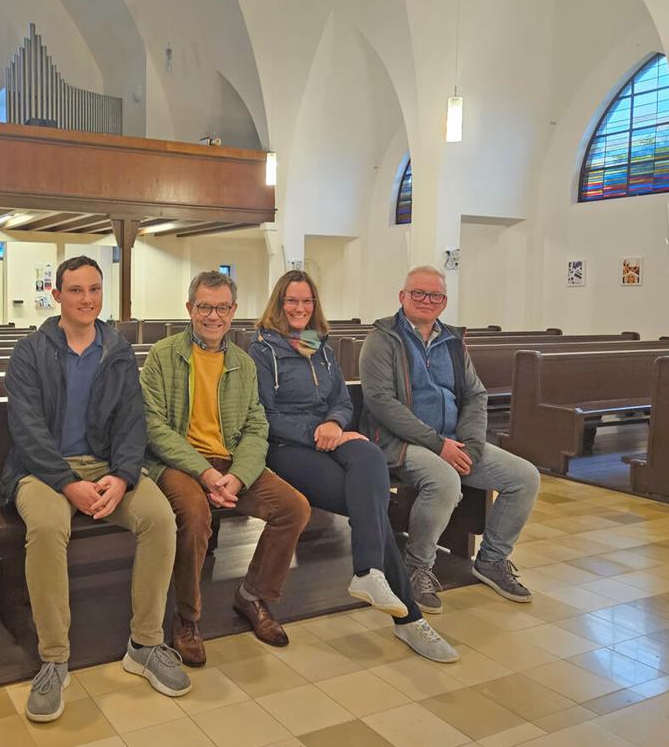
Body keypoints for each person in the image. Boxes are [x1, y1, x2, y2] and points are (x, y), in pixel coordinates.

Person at [0, 256, 190, 723]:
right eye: (76, 290)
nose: (87, 299)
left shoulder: (118, 352)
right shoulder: (30, 352)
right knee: (46, 526)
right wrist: (67, 485)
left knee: (161, 519)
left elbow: (132, 423)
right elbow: (26, 430)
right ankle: (54, 659)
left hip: (106, 467)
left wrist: (123, 476)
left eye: (95, 289)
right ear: (57, 295)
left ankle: (145, 644)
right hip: (41, 470)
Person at [248, 270, 459, 662]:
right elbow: (262, 414)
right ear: (278, 303)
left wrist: (333, 423)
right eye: (291, 301)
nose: (299, 308)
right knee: (372, 506)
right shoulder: (262, 349)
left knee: (369, 456)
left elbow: (343, 400)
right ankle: (409, 619)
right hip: (286, 447)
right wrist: (318, 430)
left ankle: (368, 574)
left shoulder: (319, 346)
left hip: (329, 436)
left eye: (307, 301)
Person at [140, 270, 311, 667]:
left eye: (221, 308)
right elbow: (153, 427)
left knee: (294, 508)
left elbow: (256, 426)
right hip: (178, 463)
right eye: (204, 307)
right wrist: (204, 472)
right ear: (189, 309)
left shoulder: (243, 363)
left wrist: (238, 475)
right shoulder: (163, 356)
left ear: (233, 311)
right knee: (196, 515)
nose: (212, 316)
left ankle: (253, 597)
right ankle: (187, 618)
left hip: (231, 463)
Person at [358, 265, 541, 614]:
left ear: (444, 302)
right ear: (402, 296)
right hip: (398, 442)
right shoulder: (382, 339)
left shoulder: (453, 342)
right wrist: (437, 444)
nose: (427, 301)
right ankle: (417, 567)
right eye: (418, 293)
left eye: (435, 295)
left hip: (455, 442)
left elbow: (475, 395)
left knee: (524, 477)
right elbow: (381, 402)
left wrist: (470, 444)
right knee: (444, 480)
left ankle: (491, 560)